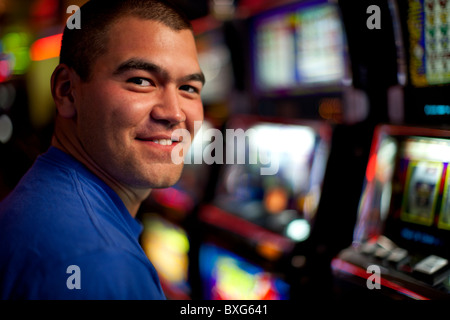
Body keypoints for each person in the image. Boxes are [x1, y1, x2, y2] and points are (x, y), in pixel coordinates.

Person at [0, 0, 204, 299]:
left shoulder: (51, 193)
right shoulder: (98, 260)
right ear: (67, 91)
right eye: (141, 81)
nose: (174, 113)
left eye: (188, 88)